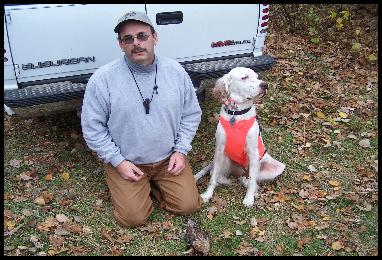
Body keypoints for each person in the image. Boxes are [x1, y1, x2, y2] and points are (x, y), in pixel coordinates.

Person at [81, 11, 202, 227]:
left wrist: (181, 150)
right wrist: (118, 162)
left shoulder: (175, 71)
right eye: (128, 39)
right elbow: (92, 127)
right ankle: (138, 184)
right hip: (128, 162)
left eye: (142, 36)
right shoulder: (103, 79)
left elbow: (191, 113)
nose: (136, 43)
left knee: (189, 206)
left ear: (154, 38)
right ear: (121, 45)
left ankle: (155, 183)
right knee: (133, 219)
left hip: (167, 159)